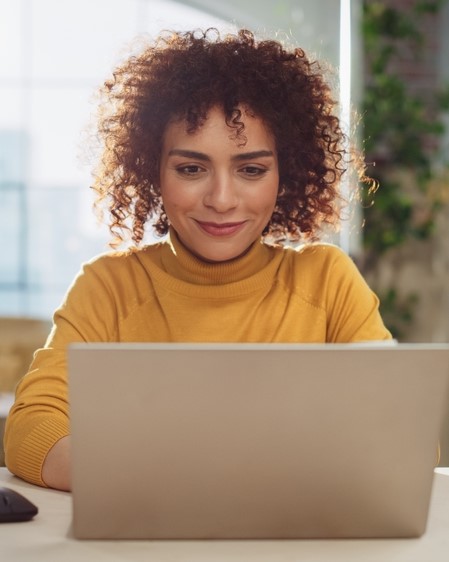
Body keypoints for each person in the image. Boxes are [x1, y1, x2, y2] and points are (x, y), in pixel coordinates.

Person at [4, 28, 391, 491]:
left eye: (251, 169)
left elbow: (398, 436)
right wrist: (169, 481)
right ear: (153, 171)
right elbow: (31, 428)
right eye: (191, 169)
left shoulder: (326, 281)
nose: (222, 199)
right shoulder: (109, 286)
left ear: (286, 174)